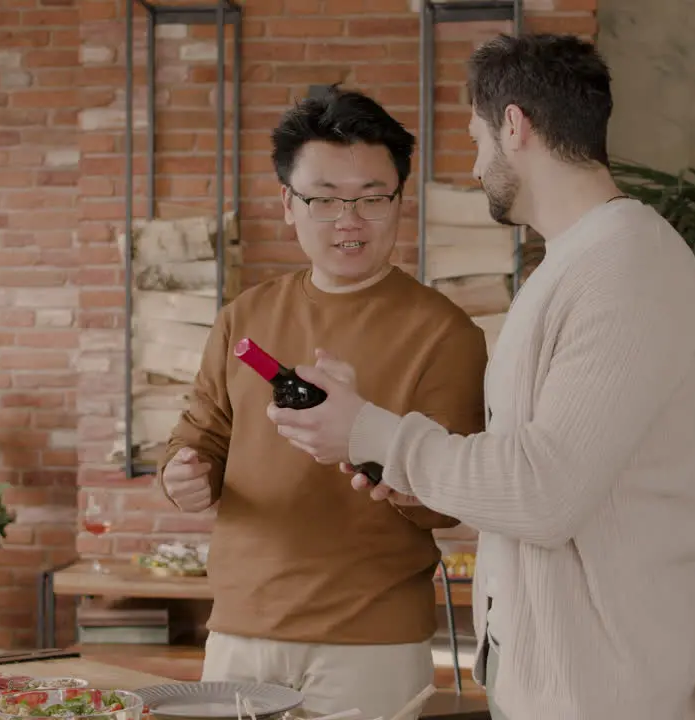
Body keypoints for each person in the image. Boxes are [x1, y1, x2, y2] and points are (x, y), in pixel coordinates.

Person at [266, 34, 695, 720]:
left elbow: (544, 492)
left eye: (478, 137)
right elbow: (524, 471)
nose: (477, 164)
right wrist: (399, 462)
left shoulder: (627, 267)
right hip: (551, 683)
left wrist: (369, 429)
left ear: (515, 125)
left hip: (603, 695)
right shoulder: (570, 264)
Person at [157, 87, 488, 719]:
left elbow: (450, 501)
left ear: (399, 199)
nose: (349, 220)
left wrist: (381, 455)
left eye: (371, 198)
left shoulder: (445, 334)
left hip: (373, 638)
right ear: (288, 203)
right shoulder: (244, 317)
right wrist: (184, 477)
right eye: (325, 199)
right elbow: (198, 437)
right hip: (240, 629)